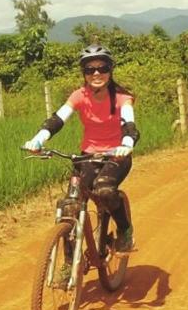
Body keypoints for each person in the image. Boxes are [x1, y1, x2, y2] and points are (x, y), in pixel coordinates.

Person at [23, 45, 139, 252]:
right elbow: (58, 119)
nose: (96, 73)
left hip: (116, 156)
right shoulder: (79, 95)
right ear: (83, 73)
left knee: (104, 189)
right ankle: (69, 266)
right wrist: (38, 140)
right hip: (87, 156)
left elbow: (129, 126)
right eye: (89, 69)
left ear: (110, 70)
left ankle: (125, 230)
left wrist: (126, 144)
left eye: (102, 68)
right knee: (70, 206)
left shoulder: (122, 98)